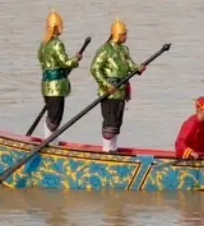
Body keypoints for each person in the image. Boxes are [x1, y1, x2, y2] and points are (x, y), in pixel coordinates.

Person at [89, 21, 141, 154]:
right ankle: (106, 149)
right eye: (124, 34)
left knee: (118, 121)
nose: (126, 37)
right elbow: (95, 68)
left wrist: (138, 68)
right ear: (117, 34)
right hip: (109, 91)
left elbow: (130, 65)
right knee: (109, 121)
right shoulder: (105, 50)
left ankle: (114, 148)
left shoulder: (124, 50)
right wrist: (106, 85)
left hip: (121, 90)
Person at [36, 12, 81, 140]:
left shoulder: (43, 45)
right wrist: (76, 59)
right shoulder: (57, 44)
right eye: (61, 26)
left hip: (45, 85)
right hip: (56, 87)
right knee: (55, 117)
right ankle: (49, 142)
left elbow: (41, 60)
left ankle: (50, 140)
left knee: (51, 114)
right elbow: (65, 63)